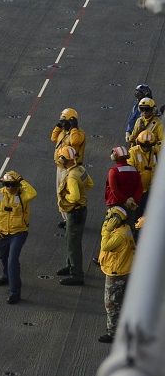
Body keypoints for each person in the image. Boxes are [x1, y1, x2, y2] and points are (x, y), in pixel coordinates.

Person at [0, 170, 36, 304]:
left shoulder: (23, 195)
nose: (9, 187)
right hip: (2, 233)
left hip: (18, 233)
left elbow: (33, 193)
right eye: (6, 184)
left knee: (12, 260)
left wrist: (21, 181)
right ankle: (7, 276)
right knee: (3, 257)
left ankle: (15, 292)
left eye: (12, 184)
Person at [98, 205, 136, 343]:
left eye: (110, 217)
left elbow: (105, 245)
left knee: (112, 303)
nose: (107, 219)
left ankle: (113, 333)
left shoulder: (118, 235)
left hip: (116, 272)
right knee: (120, 301)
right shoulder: (125, 229)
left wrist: (107, 229)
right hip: (123, 268)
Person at [57, 146, 93, 285]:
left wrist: (66, 199)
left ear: (63, 159)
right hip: (81, 210)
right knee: (69, 239)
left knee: (73, 243)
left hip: (75, 212)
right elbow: (90, 183)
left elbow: (75, 196)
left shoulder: (71, 176)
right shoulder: (80, 169)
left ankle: (77, 274)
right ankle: (70, 265)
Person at [53, 108, 86, 226]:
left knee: (67, 193)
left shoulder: (79, 134)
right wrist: (58, 126)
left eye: (64, 122)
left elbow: (75, 141)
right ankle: (67, 219)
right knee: (60, 193)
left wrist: (73, 128)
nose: (63, 125)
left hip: (69, 168)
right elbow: (53, 138)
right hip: (61, 167)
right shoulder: (63, 131)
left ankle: (71, 220)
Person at [106, 146, 143, 214]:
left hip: (116, 204)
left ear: (114, 157)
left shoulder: (113, 171)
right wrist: (133, 199)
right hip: (131, 204)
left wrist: (125, 200)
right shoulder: (134, 170)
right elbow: (140, 188)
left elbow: (114, 189)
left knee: (110, 224)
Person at [130, 130, 158, 219]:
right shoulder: (133, 152)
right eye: (143, 146)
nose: (146, 148)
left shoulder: (156, 152)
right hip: (137, 191)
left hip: (151, 190)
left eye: (148, 146)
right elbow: (130, 170)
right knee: (136, 214)